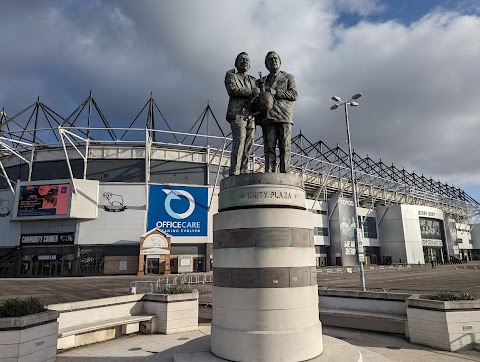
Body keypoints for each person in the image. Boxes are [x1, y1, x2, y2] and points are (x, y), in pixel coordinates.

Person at [258, 51, 297, 173]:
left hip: (284, 115)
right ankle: (270, 172)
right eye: (270, 60)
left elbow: (294, 95)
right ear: (266, 65)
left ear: (279, 62)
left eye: (275, 59)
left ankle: (285, 172)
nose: (273, 61)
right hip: (268, 117)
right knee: (269, 147)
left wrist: (277, 93)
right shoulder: (262, 80)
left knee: (285, 146)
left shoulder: (288, 77)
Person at [225, 52, 259, 176]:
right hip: (237, 114)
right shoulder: (231, 76)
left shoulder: (254, 80)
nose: (245, 62)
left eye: (247, 60)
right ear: (236, 63)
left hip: (251, 115)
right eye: (242, 60)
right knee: (239, 140)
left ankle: (244, 169)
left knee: (249, 143)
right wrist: (252, 92)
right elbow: (232, 89)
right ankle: (235, 170)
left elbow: (258, 96)